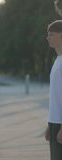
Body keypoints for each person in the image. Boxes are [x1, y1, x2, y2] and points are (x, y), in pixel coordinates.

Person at [45, 20, 62, 160]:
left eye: (51, 35)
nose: (47, 38)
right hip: (55, 123)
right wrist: (49, 124)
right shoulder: (58, 60)